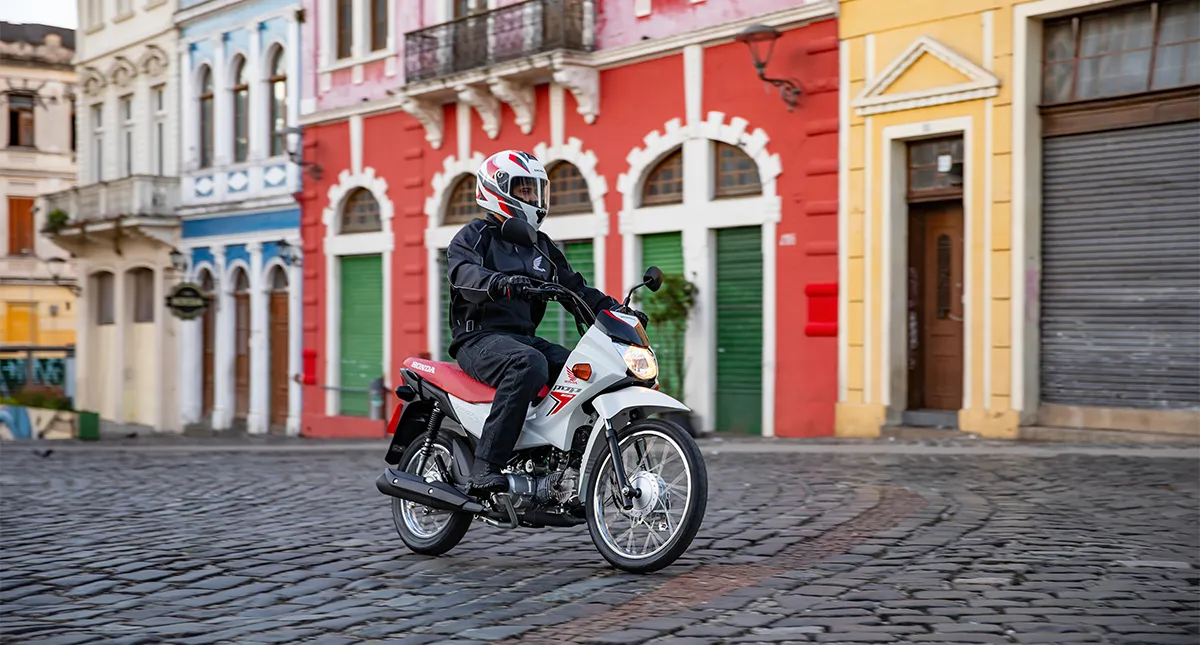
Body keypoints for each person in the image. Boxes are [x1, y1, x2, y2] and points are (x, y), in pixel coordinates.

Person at [446, 150, 648, 494]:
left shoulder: (539, 245)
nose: (533, 198)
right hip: (478, 340)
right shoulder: (475, 236)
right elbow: (464, 274)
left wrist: (618, 311)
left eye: (536, 190)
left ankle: (560, 461)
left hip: (522, 339)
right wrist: (500, 282)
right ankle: (486, 466)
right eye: (524, 190)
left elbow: (576, 288)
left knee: (586, 371)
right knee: (528, 364)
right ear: (498, 188)